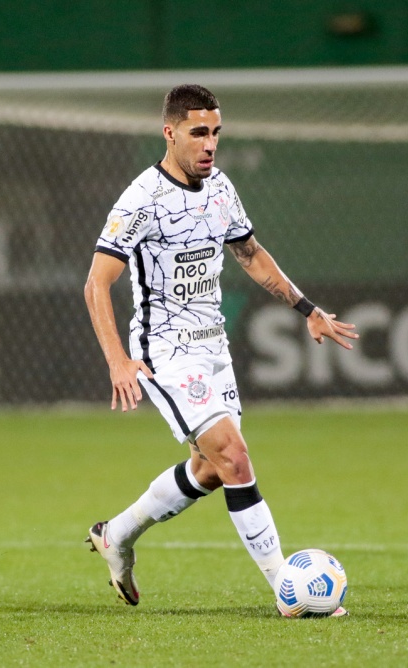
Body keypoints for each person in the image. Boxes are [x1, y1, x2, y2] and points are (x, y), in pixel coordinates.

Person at [83, 84, 357, 615]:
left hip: (214, 346)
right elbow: (96, 283)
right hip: (164, 349)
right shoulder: (142, 198)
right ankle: (287, 588)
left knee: (211, 468)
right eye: (198, 133)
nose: (210, 144)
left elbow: (250, 255)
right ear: (170, 133)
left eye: (216, 133)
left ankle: (116, 533)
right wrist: (118, 360)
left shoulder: (220, 188)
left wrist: (308, 310)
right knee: (234, 454)